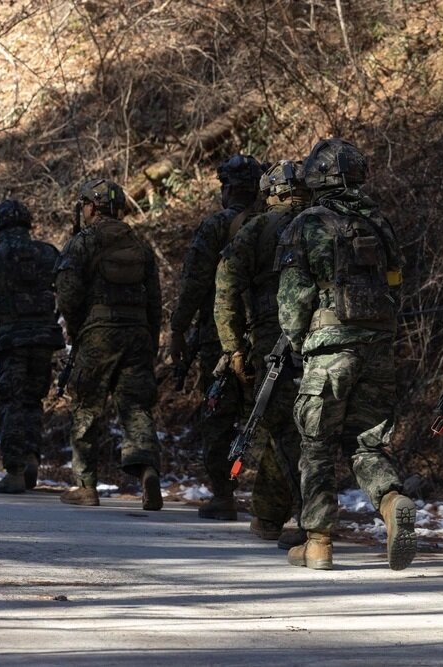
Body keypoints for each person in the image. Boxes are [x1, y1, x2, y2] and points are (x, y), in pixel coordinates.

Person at [276, 138, 416, 571]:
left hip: (328, 351)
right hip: (377, 349)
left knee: (316, 446)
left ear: (316, 177)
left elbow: (293, 298)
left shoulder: (305, 224)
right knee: (367, 443)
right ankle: (393, 503)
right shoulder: (380, 224)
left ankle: (317, 542)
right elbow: (394, 283)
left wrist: (300, 344)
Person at [214, 160, 309, 548]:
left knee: (284, 427)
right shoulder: (324, 222)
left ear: (271, 192)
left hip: (273, 339)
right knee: (291, 426)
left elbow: (226, 289)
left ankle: (308, 518)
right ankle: (268, 514)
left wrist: (233, 347)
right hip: (323, 336)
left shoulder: (256, 229)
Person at [55, 179, 163, 510]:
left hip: (98, 333)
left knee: (86, 407)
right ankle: (147, 470)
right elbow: (155, 299)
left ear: (90, 206)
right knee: (136, 407)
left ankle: (86, 485)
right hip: (138, 334)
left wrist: (75, 328)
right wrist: (152, 337)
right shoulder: (140, 243)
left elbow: (68, 291)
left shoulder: (83, 241)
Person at [169, 155, 262, 520]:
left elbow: (194, 284)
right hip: (271, 336)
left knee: (218, 418)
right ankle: (278, 501)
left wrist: (178, 329)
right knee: (270, 418)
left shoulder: (216, 226)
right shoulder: (275, 224)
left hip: (219, 340)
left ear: (230, 188)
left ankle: (224, 495)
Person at [0, 200, 64, 493]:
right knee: (33, 401)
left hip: (10, 341)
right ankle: (32, 457)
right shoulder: (48, 253)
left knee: (12, 403)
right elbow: (66, 290)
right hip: (44, 340)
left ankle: (14, 471)